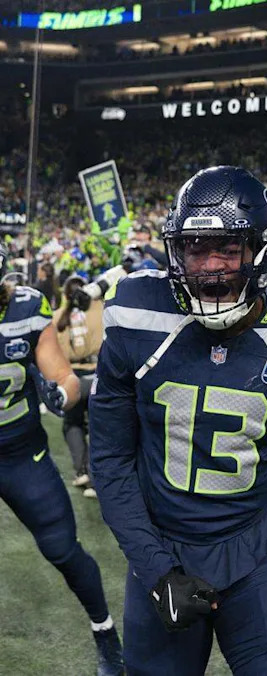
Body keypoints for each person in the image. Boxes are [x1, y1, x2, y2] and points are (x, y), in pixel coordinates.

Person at [89, 167, 267, 674]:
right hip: (162, 547)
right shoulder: (137, 314)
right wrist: (157, 571)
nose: (210, 267)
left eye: (227, 249)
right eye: (195, 249)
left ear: (261, 251)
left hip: (255, 546)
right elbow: (112, 462)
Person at [0, 244, 123, 675]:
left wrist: (61, 394)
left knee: (61, 547)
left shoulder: (26, 307)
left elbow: (64, 376)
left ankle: (106, 633)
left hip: (18, 450)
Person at [54, 274, 103, 498]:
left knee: (72, 424)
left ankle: (81, 470)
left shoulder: (58, 318)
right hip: (98, 376)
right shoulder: (99, 308)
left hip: (72, 377)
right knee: (97, 428)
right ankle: (94, 480)